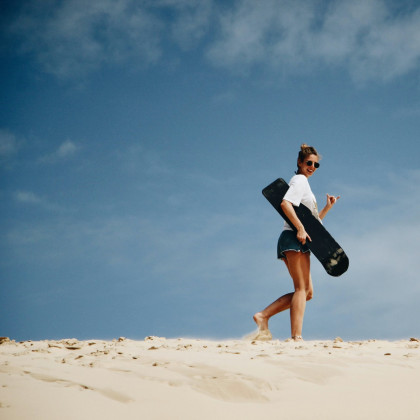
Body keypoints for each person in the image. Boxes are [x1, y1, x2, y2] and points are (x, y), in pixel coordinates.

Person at [253, 144, 340, 341]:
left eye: (316, 165)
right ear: (299, 163)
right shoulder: (299, 180)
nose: (312, 167)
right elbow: (285, 204)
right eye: (308, 163)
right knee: (301, 289)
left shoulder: (305, 185)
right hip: (294, 238)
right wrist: (300, 228)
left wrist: (327, 208)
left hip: (299, 239)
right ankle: (296, 337)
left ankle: (263, 315)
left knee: (307, 293)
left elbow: (313, 224)